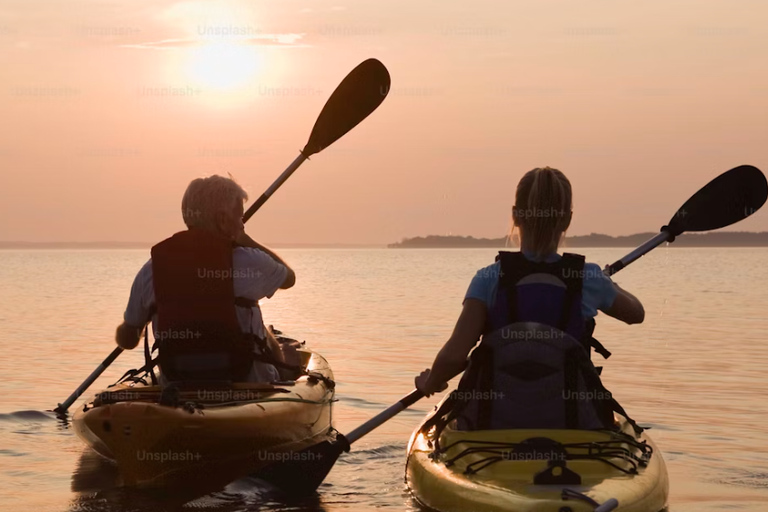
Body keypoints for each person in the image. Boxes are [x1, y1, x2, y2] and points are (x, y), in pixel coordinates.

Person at [414, 167, 645, 430]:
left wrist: (431, 382)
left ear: (515, 215)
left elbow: (454, 357)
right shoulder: (587, 278)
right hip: (571, 423)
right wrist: (607, 284)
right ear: (567, 220)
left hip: (493, 423)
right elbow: (637, 313)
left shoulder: (489, 278)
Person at [114, 175, 299, 384]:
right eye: (240, 217)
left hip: (178, 384)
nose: (242, 224)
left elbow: (128, 340)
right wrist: (246, 240)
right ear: (222, 220)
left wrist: (137, 322)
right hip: (248, 384)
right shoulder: (251, 261)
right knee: (291, 355)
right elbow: (288, 278)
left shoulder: (151, 270)